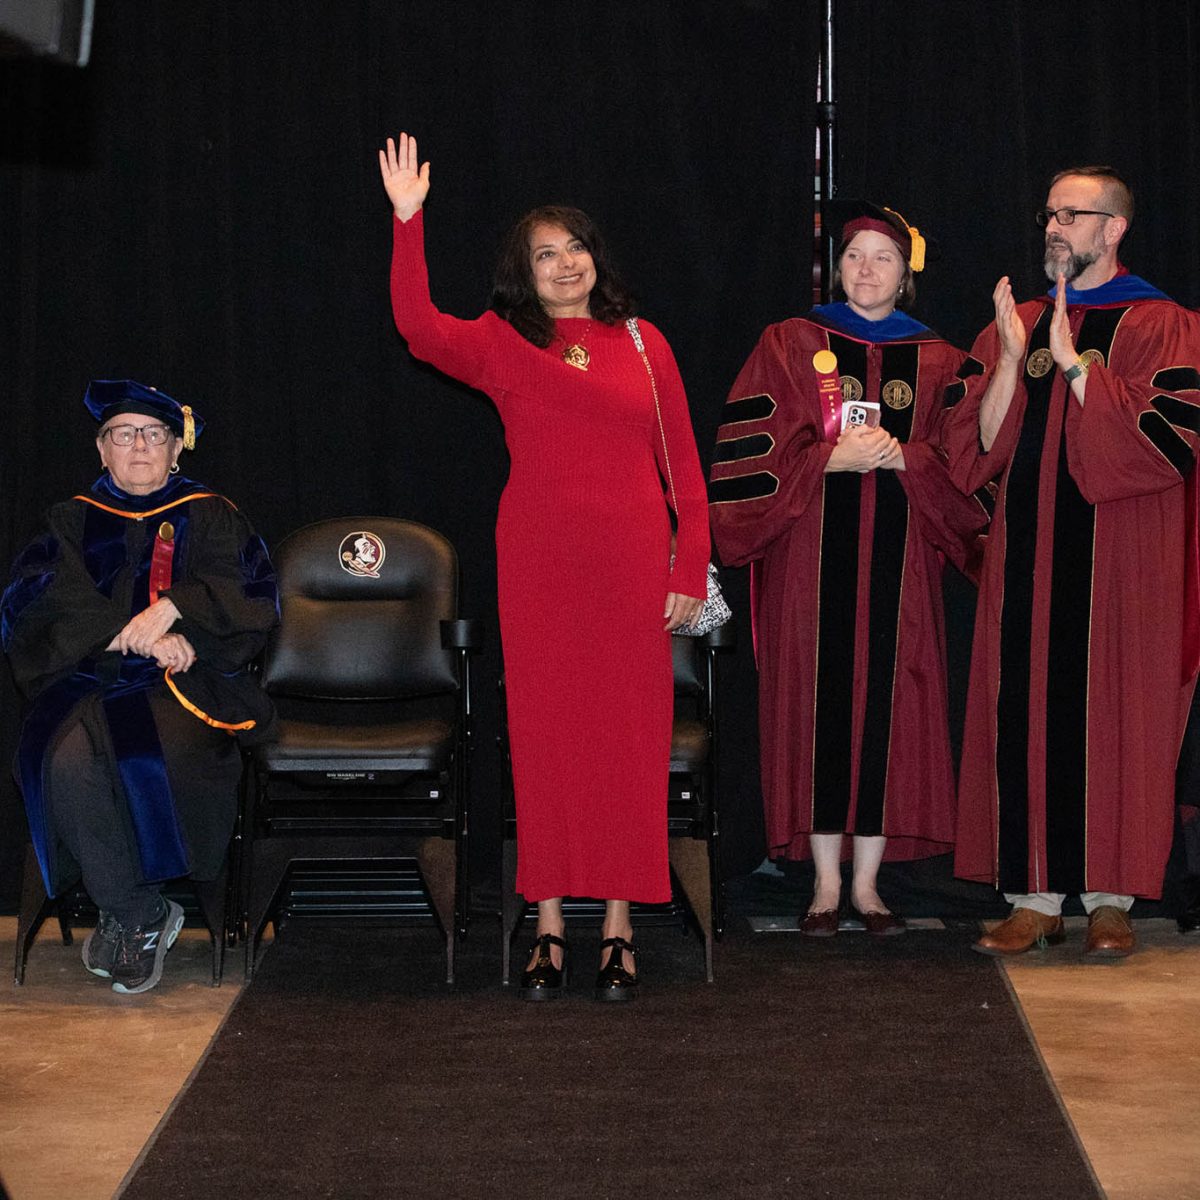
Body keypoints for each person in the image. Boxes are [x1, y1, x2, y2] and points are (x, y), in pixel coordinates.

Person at [378, 133, 709, 1000]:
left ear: (598, 257)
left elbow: (685, 470)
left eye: (575, 248)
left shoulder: (645, 343)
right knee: (548, 740)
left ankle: (621, 922)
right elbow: (416, 327)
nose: (565, 265)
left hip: (635, 562)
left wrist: (687, 570)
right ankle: (550, 919)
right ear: (523, 272)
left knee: (629, 744)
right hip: (539, 562)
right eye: (545, 255)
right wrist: (408, 223)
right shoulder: (505, 342)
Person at [709, 202, 987, 937]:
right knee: (816, 703)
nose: (867, 269)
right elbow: (750, 446)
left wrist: (907, 457)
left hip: (902, 575)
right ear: (837, 267)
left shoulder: (939, 359)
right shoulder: (789, 343)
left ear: (906, 276)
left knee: (890, 712)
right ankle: (824, 885)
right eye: (855, 255)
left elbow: (968, 465)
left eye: (883, 258)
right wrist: (823, 458)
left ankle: (869, 886)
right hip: (809, 564)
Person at [942, 166, 1200, 959]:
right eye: (1049, 214)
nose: (1054, 227)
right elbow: (969, 452)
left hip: (1123, 556)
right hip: (1026, 559)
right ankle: (1034, 898)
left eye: (1072, 215)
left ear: (1113, 228)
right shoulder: (1013, 321)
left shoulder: (1164, 324)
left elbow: (1172, 446)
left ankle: (1112, 901)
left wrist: (1079, 365)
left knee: (1118, 711)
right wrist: (1018, 360)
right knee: (1023, 709)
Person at [2, 381, 278, 993]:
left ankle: (127, 912)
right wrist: (134, 633)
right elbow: (35, 599)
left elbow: (254, 596)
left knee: (157, 759)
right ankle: (138, 912)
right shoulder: (70, 519)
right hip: (89, 677)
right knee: (63, 762)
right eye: (122, 435)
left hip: (186, 683)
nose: (139, 446)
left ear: (178, 449)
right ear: (101, 451)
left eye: (154, 434)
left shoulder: (210, 512)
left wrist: (179, 610)